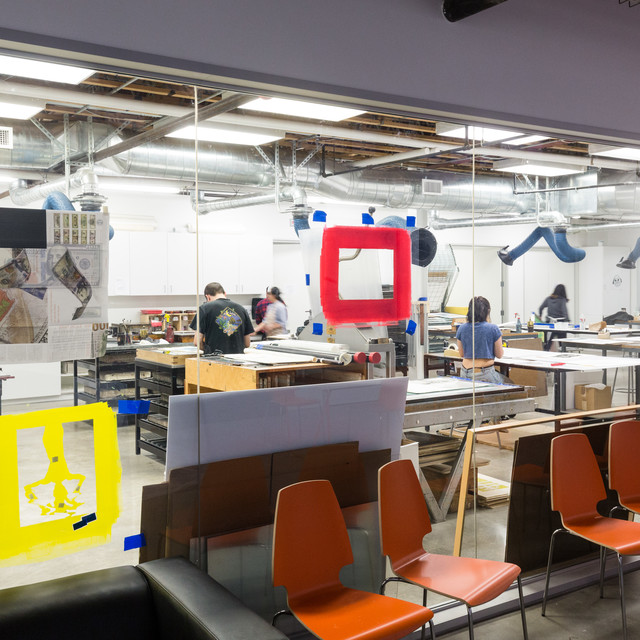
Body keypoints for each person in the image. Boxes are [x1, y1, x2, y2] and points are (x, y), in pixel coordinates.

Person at [456, 296, 510, 384]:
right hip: (484, 374)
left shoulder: (461, 328)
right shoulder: (493, 329)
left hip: (465, 374)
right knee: (510, 384)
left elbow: (462, 354)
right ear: (487, 311)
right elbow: (499, 355)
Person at [190, 282, 253, 354]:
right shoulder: (241, 309)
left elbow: (196, 342)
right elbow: (247, 344)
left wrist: (207, 350)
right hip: (238, 360)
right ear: (225, 293)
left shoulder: (204, 309)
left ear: (208, 297)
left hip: (215, 360)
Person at [497, 227, 586, 266]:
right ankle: (510, 256)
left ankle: (510, 256)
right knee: (542, 229)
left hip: (567, 255)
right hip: (567, 255)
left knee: (542, 229)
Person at [538, 284, 570, 350]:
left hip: (549, 325)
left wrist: (540, 315)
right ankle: (563, 356)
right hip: (560, 325)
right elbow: (565, 312)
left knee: (547, 344)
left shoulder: (548, 299)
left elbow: (541, 308)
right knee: (562, 345)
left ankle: (544, 357)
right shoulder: (562, 300)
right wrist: (567, 321)